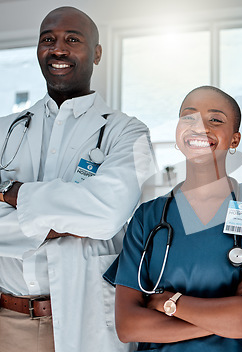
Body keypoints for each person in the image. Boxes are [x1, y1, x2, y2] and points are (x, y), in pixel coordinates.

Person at [0, 6, 155, 352]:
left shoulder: (128, 133)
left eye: (73, 39)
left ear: (97, 53)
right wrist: (68, 219)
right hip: (6, 321)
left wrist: (14, 195)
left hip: (85, 320)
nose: (59, 49)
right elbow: (90, 216)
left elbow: (105, 215)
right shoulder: (3, 130)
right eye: (48, 40)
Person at [104, 86, 242, 352]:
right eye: (188, 117)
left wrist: (171, 303)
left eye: (215, 120)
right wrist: (229, 312)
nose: (199, 127)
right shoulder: (148, 218)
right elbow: (129, 326)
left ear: (235, 140)